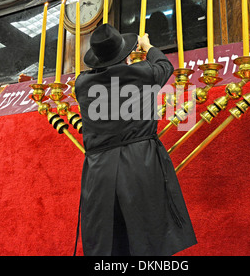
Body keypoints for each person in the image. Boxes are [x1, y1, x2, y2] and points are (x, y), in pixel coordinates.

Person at [74, 24, 197, 256]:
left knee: (108, 240)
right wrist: (146, 45)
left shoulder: (81, 84)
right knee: (149, 235)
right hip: (140, 163)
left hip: (99, 170)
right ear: (126, 54)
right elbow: (164, 65)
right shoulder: (143, 73)